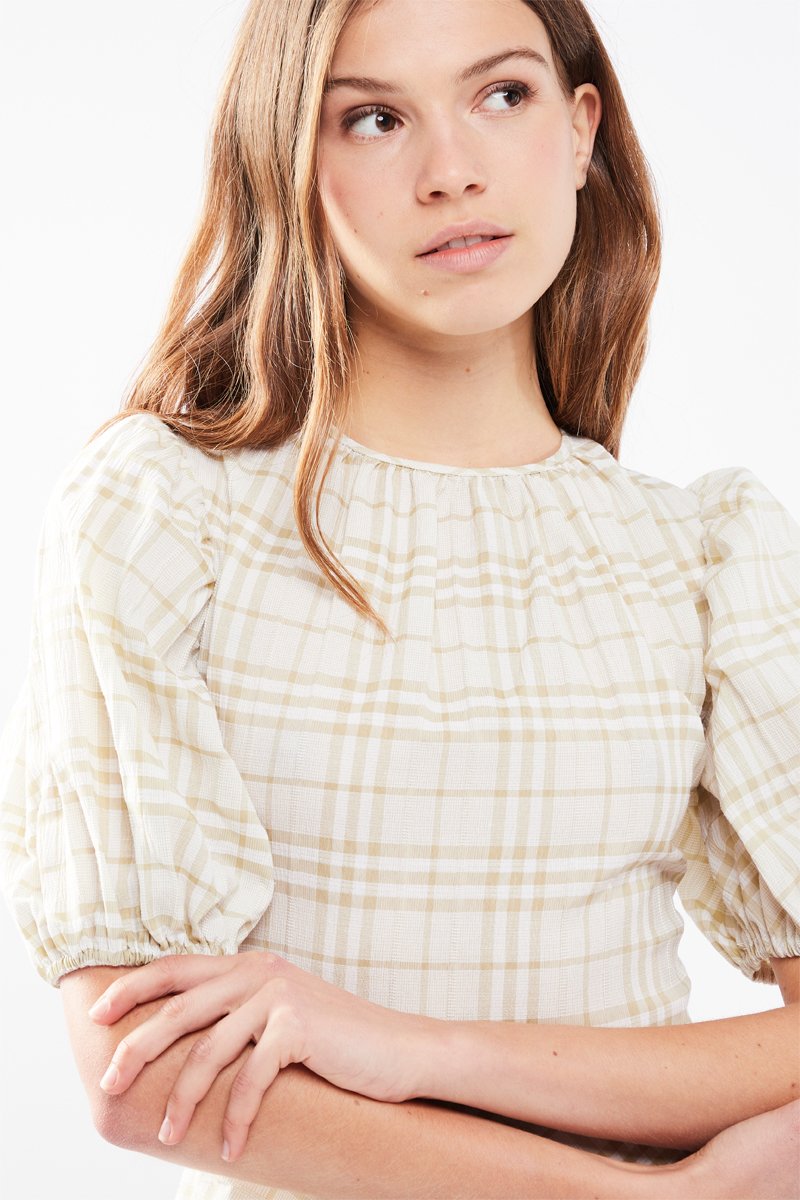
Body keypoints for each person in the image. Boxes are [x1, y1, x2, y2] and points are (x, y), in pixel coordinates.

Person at [0, 0, 798, 1197]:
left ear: (580, 130)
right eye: (372, 119)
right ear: (286, 159)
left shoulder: (700, 554)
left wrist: (413, 1050)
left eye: (501, 95)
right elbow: (145, 1073)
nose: (450, 172)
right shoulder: (166, 509)